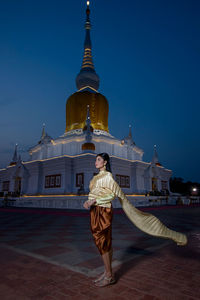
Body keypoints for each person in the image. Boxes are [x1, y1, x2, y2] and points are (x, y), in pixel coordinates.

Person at [83, 153, 187, 287]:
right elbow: (95, 193)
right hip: (95, 210)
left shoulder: (108, 176)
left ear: (105, 162)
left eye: (98, 160)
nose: (95, 162)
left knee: (102, 240)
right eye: (95, 159)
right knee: (103, 241)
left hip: (103, 210)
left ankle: (109, 276)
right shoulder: (96, 177)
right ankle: (107, 272)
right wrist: (89, 201)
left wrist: (94, 200)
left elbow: (111, 195)